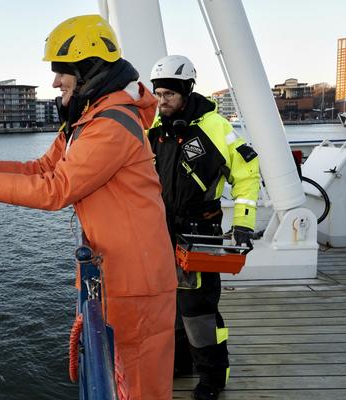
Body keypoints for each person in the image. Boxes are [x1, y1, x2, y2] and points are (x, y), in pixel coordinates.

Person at [0, 15, 176, 400]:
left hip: (135, 282)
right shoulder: (87, 122)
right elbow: (42, 168)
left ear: (88, 70)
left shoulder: (110, 125)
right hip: (117, 273)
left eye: (61, 72)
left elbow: (55, 189)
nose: (55, 82)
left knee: (138, 390)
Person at [147, 55, 260, 400]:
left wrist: (243, 223)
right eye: (158, 94)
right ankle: (182, 363)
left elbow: (247, 174)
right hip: (160, 231)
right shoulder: (153, 126)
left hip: (200, 232)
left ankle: (212, 379)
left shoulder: (215, 127)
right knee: (171, 303)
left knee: (198, 309)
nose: (161, 102)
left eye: (168, 94)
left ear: (187, 90)